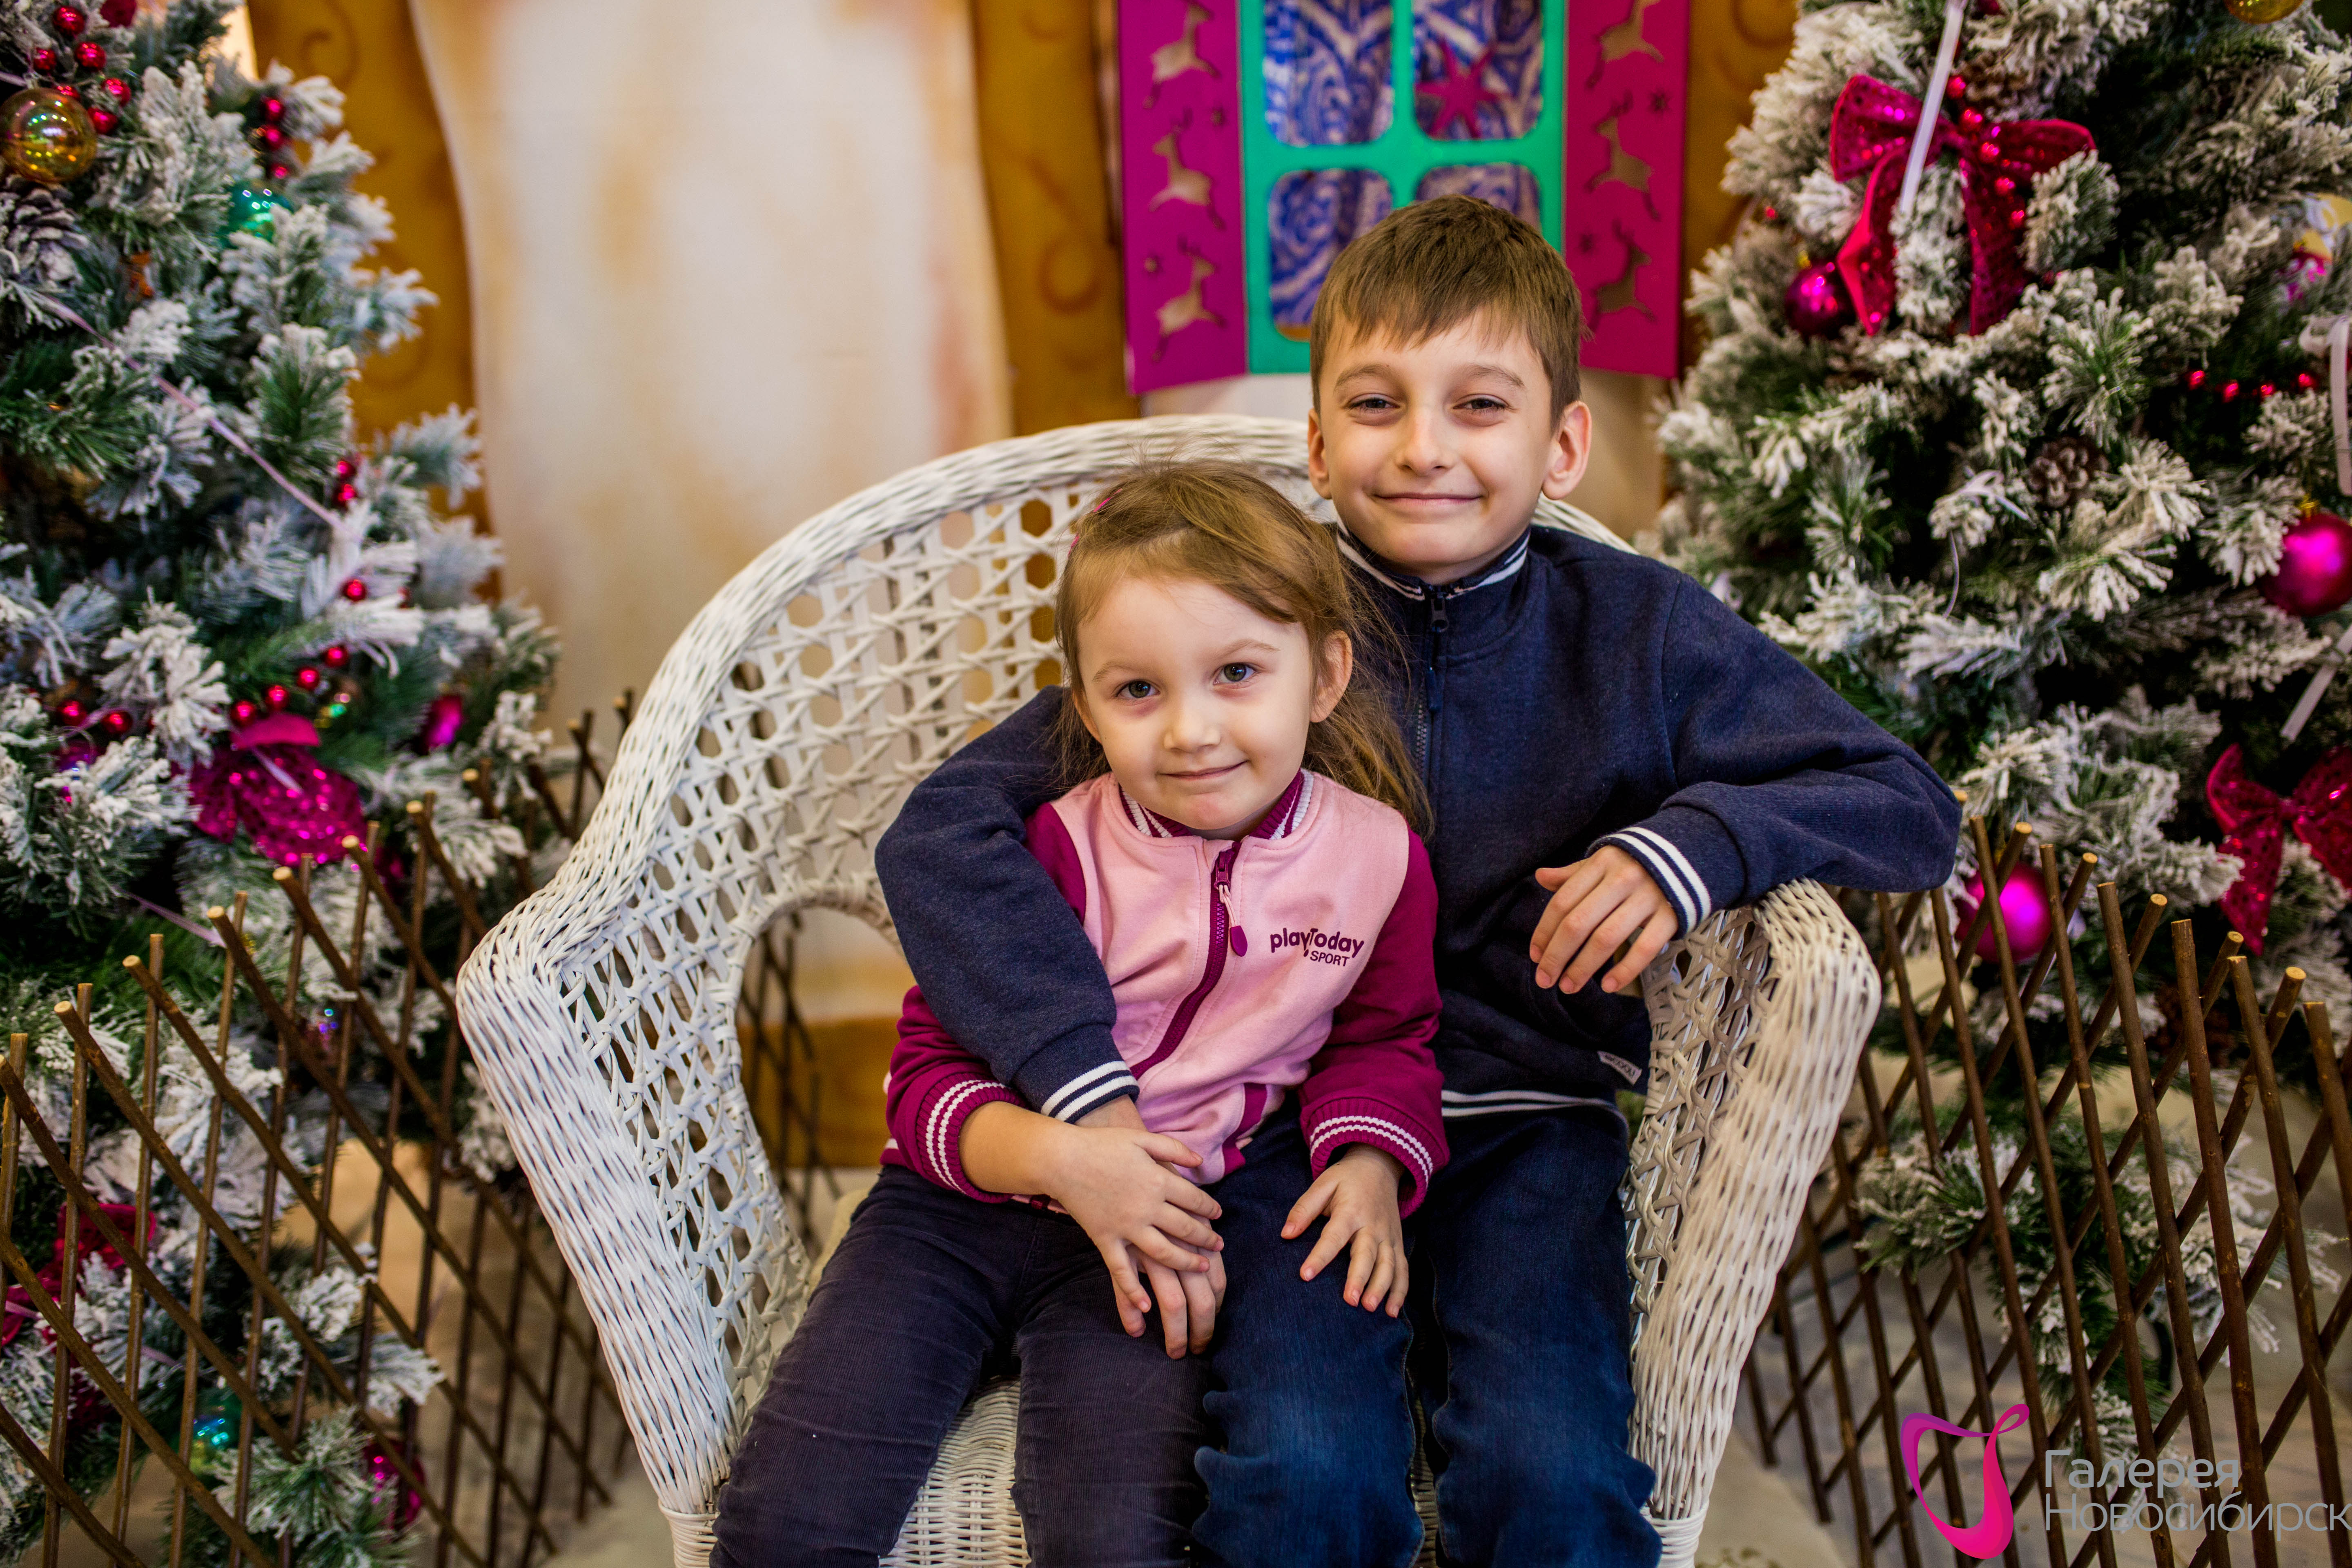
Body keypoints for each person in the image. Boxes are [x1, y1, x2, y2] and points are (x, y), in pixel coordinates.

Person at [873, 194, 1962, 1566]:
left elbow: (1907, 804)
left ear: (1563, 445)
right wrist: (1074, 1066)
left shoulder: (1638, 633)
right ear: (1318, 443)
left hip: (1529, 1125)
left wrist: (1688, 849)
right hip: (1285, 1131)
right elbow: (940, 835)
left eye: (1480, 405)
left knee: (1552, 1475)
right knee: (1303, 1473)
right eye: (1377, 404)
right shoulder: (1252, 624)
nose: (1425, 448)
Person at [712, 463, 1448, 1568]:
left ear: (1325, 675)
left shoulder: (1378, 861)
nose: (1192, 730)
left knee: (1111, 1538)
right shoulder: (1053, 848)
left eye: (1238, 673)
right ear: (1086, 709)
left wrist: (1371, 1157)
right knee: (787, 1523)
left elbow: (1385, 1038)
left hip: (1160, 1236)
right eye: (1138, 690)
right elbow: (922, 1083)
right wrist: (1065, 1158)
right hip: (954, 1213)